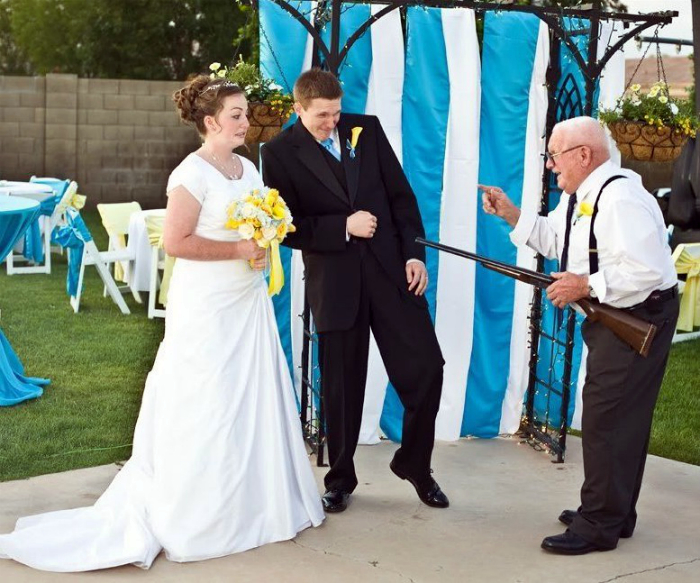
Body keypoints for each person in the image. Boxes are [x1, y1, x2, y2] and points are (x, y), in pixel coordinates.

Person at [0, 75, 324, 572]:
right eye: (236, 114)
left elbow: (252, 227)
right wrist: (240, 248)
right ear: (210, 121)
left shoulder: (247, 169)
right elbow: (176, 242)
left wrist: (263, 241)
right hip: (207, 304)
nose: (246, 121)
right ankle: (199, 511)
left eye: (244, 113)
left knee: (250, 391)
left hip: (245, 299)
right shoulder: (190, 174)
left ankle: (255, 503)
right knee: (207, 396)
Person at [480, 116, 678, 555]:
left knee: (608, 420)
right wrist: (511, 213)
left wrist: (585, 285)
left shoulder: (620, 199)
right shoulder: (581, 195)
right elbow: (558, 241)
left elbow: (646, 271)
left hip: (638, 314)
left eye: (554, 156)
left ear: (584, 155)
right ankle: (614, 512)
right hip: (621, 312)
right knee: (620, 418)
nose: (550, 165)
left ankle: (598, 525)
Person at [260, 69, 448, 514]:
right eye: (322, 116)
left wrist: (414, 255)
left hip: (393, 274)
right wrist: (342, 226)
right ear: (298, 109)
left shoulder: (367, 129)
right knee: (341, 387)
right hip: (335, 283)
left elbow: (401, 198)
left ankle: (415, 464)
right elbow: (286, 226)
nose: (332, 123)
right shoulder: (277, 153)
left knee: (427, 368)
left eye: (337, 113)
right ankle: (340, 478)